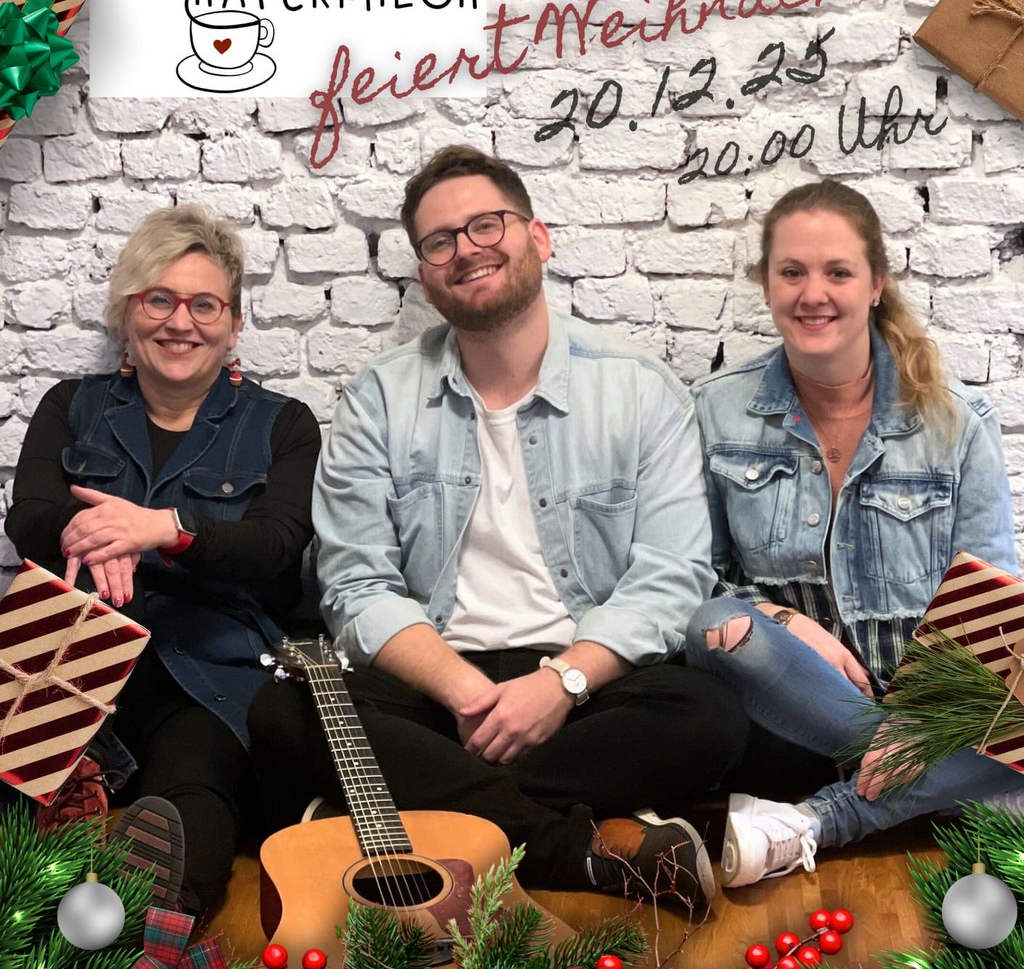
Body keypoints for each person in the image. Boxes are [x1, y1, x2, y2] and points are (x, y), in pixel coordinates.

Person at [249, 145, 746, 905]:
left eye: (487, 225)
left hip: (583, 684)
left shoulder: (641, 390)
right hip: (435, 685)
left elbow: (672, 576)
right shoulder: (380, 396)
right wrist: (466, 694)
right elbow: (355, 582)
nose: (466, 249)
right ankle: (568, 850)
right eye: (439, 241)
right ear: (425, 275)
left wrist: (561, 682)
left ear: (538, 237)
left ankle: (412, 807)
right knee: (284, 711)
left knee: (709, 717)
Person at [685, 179, 1020, 887]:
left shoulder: (958, 422)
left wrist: (923, 721)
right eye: (792, 272)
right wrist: (786, 621)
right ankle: (948, 783)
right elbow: (697, 579)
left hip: (929, 706)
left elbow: (989, 605)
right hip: (788, 704)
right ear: (767, 284)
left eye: (837, 272)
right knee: (715, 628)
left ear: (875, 284)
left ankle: (820, 819)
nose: (814, 294)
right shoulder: (714, 411)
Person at [5, 205, 321, 920]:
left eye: (204, 305)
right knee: (14, 786)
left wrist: (164, 531)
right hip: (70, 645)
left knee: (193, 795)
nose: (181, 322)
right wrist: (94, 530)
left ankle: (143, 938)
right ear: (127, 315)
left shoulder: (284, 423)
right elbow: (29, 519)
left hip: (208, 665)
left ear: (233, 326)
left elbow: (277, 545)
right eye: (159, 300)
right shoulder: (71, 406)